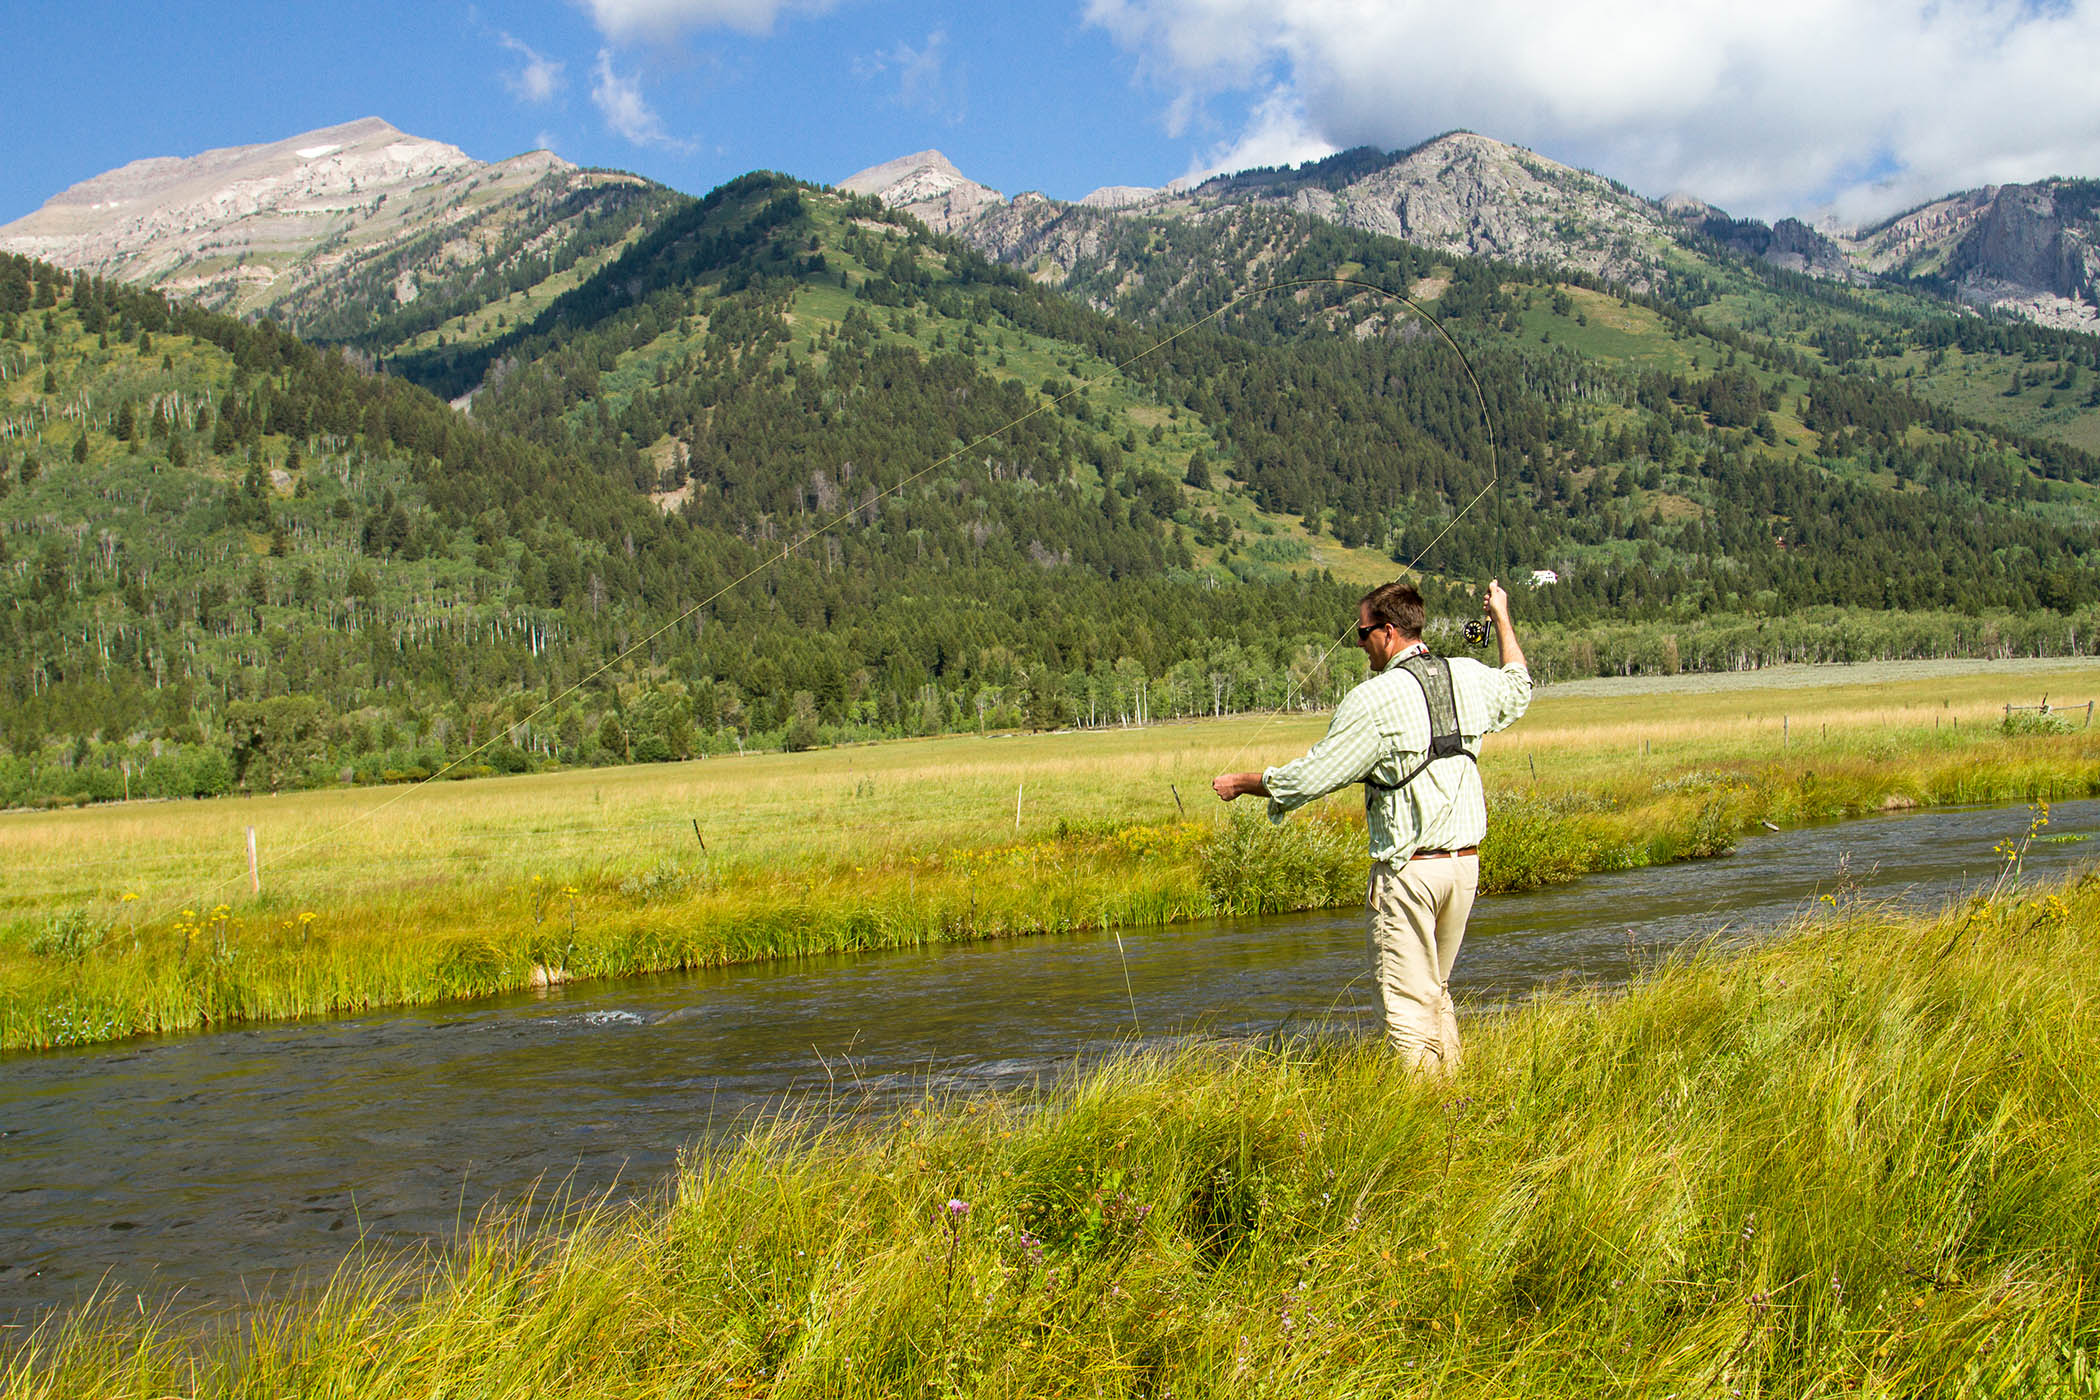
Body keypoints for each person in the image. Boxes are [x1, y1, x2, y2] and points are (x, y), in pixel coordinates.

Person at [1212, 579, 1530, 1071]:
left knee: (1405, 1012)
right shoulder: (1469, 674)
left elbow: (1311, 777)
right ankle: (1456, 1105)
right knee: (1433, 992)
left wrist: (1245, 782)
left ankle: (1424, 1122)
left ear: (1387, 633)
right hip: (1464, 871)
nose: (1359, 644)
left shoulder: (1373, 699)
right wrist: (1503, 618)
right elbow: (1518, 688)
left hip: (1408, 875)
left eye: (1361, 634)